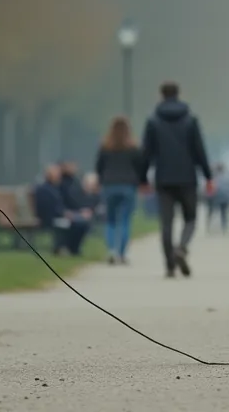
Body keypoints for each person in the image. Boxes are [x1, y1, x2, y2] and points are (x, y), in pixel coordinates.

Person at [141, 80, 213, 278]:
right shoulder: (191, 120)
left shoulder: (153, 121)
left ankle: (169, 265)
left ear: (161, 95)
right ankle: (181, 247)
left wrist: (142, 179)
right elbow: (199, 150)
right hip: (187, 177)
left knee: (166, 223)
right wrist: (208, 176)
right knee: (190, 218)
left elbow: (146, 153)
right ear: (179, 94)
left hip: (163, 178)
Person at [94, 116, 148, 265]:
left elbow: (99, 167)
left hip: (109, 185)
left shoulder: (105, 147)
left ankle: (111, 250)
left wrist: (100, 180)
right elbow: (141, 167)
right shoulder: (133, 148)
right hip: (128, 186)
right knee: (124, 220)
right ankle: (122, 253)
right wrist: (143, 182)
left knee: (110, 220)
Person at [33, 164, 90, 256]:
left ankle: (73, 248)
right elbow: (47, 208)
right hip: (50, 218)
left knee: (83, 222)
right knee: (76, 223)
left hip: (61, 215)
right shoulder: (44, 189)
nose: (59, 176)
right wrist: (64, 213)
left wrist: (76, 212)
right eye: (57, 174)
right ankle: (65, 247)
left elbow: (65, 203)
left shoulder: (57, 188)